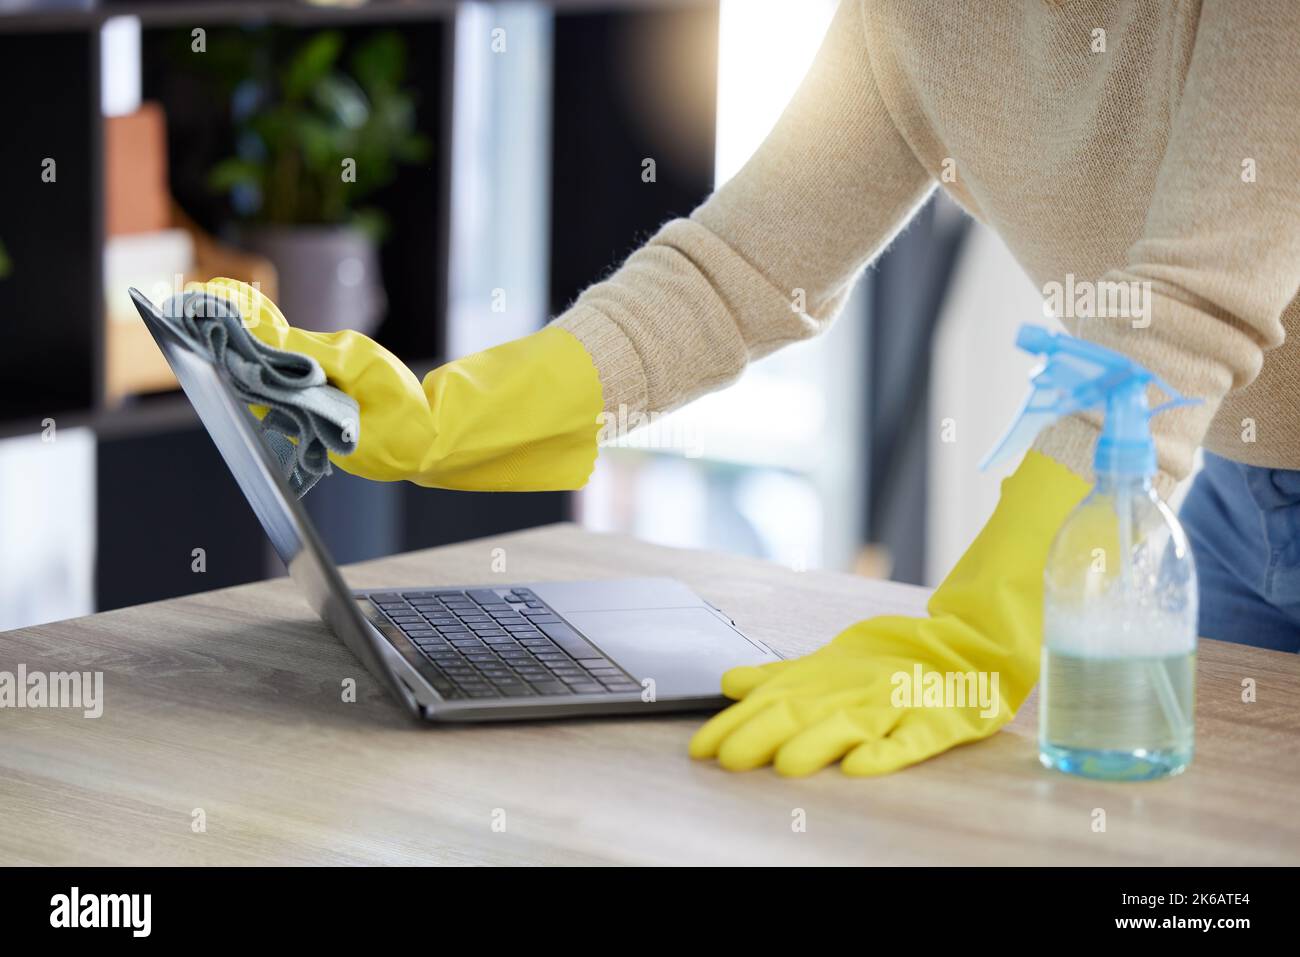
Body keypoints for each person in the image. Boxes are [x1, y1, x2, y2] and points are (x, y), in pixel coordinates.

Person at [219, 0, 1300, 775]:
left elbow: (1186, 312)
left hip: (1193, 473)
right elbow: (744, 266)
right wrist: (452, 417)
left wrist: (984, 628)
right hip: (1234, 505)